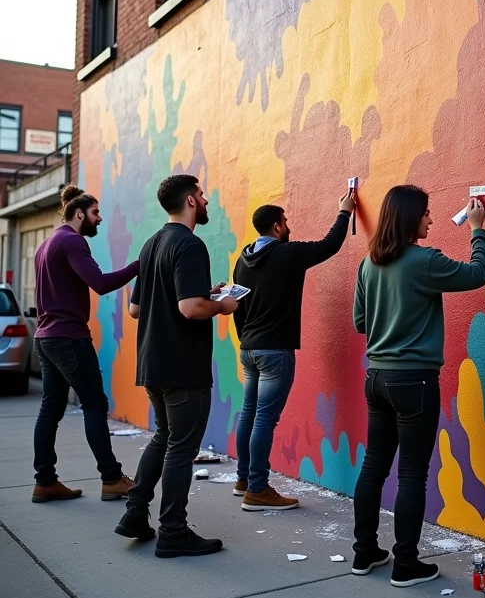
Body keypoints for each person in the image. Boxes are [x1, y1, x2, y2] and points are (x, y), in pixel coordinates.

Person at [351, 186, 485, 587]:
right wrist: (477, 230)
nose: (431, 219)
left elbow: (362, 323)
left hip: (375, 378)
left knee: (374, 466)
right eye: (426, 214)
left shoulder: (368, 264)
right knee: (412, 473)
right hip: (414, 380)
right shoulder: (425, 261)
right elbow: (478, 274)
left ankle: (364, 554)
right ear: (412, 218)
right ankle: (406, 563)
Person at [114, 175, 238, 558]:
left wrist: (206, 294)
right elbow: (189, 308)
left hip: (153, 363)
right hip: (183, 366)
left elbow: (136, 308)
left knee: (164, 439)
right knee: (181, 449)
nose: (206, 201)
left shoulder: (152, 245)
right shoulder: (189, 244)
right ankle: (173, 532)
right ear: (189, 199)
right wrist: (221, 305)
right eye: (202, 195)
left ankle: (135, 514)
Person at [231, 188, 356, 510]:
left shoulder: (242, 261)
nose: (289, 227)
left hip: (249, 349)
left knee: (249, 414)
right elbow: (330, 245)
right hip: (274, 351)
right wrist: (344, 211)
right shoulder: (287, 254)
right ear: (275, 226)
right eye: (285, 222)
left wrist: (247, 339)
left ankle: (244, 478)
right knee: (264, 420)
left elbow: (238, 307)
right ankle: (257, 490)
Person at [32, 184, 138, 503]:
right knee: (94, 404)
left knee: (50, 407)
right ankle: (111, 479)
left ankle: (45, 481)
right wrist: (139, 265)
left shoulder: (47, 243)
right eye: (95, 213)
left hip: (46, 338)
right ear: (80, 214)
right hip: (69, 338)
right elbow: (102, 284)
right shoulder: (72, 241)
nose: (99, 218)